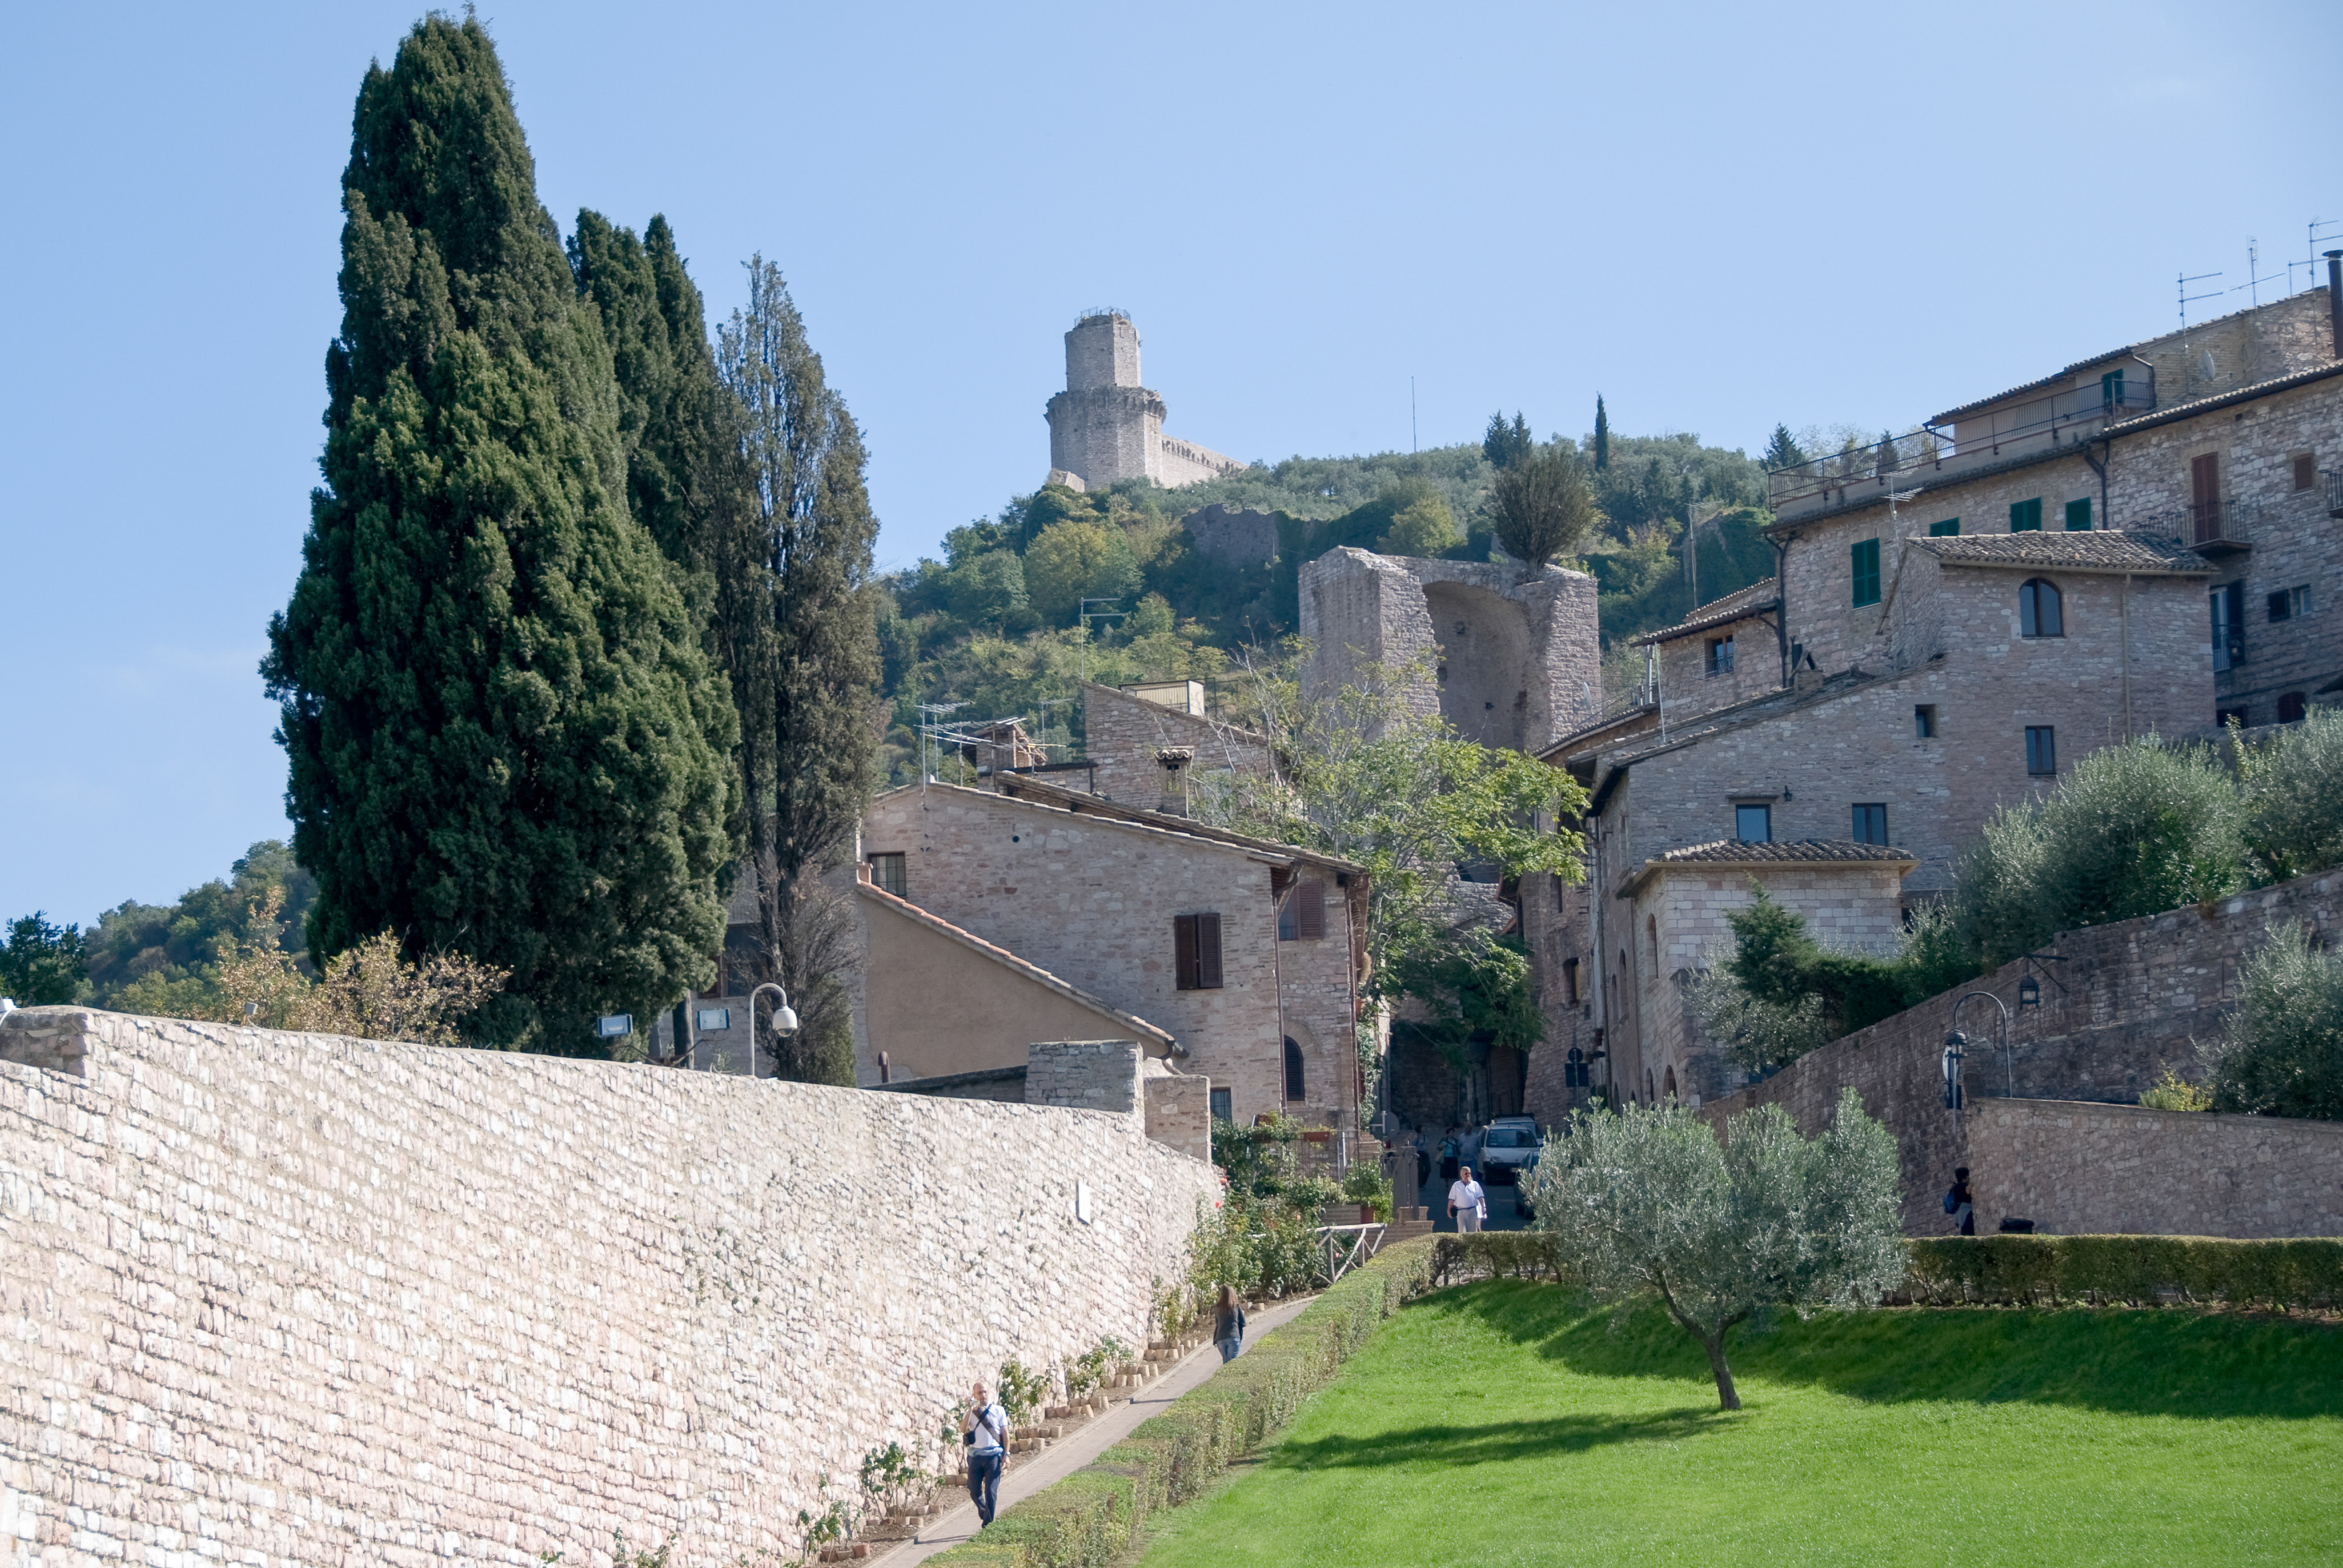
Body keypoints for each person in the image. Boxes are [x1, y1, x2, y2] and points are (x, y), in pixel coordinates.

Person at [961, 1378, 1007, 1526]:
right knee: (974, 1490)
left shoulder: (998, 1410)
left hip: (993, 1456)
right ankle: (984, 1511)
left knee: (991, 1491)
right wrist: (970, 1409)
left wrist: (1006, 1455)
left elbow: (1005, 1434)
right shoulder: (971, 1412)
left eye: (985, 1391)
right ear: (974, 1395)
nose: (983, 1395)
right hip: (975, 1456)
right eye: (979, 1392)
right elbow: (962, 1429)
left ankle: (988, 1524)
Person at [1448, 1164, 1487, 1234]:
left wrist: (1483, 1207)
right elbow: (1452, 1199)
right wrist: (1449, 1210)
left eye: (1469, 1173)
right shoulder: (1456, 1185)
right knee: (1462, 1232)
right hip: (1461, 1212)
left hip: (1472, 1211)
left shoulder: (1475, 1184)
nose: (1468, 1175)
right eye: (1466, 1174)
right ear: (1462, 1175)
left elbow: (1480, 1197)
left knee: (1473, 1233)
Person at [1213, 1284, 1247, 1362]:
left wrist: (1214, 1340)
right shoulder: (1236, 1306)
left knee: (1226, 1362)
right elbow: (1242, 1323)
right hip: (1233, 1337)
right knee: (1230, 1364)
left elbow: (1218, 1324)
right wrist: (1240, 1338)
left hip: (1220, 1339)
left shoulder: (1217, 1308)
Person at [1945, 1166, 1975, 1236]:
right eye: (1968, 1176)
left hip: (1959, 1214)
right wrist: (1973, 1182)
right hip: (1966, 1212)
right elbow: (1968, 1191)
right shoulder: (1962, 1185)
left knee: (1965, 1232)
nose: (1969, 1178)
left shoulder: (1955, 1187)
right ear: (1965, 1177)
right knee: (1970, 1232)